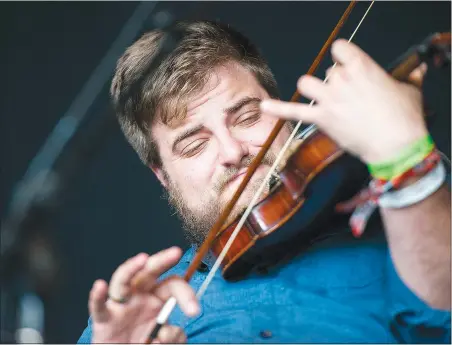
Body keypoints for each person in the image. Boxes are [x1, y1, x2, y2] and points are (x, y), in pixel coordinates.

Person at [77, 19, 451, 343]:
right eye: (194, 144)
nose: (232, 150)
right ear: (163, 177)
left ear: (286, 115)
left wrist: (406, 161)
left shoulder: (402, 234)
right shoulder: (135, 318)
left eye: (246, 116)